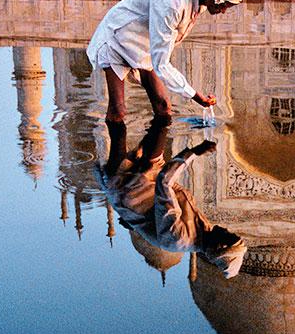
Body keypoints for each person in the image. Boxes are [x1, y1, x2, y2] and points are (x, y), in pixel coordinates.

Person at [86, 0, 246, 126]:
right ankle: (118, 152)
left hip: (143, 47)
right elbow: (161, 64)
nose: (222, 12)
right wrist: (195, 96)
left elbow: (164, 46)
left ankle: (145, 153)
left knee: (163, 106)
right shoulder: (172, 4)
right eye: (223, 6)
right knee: (118, 111)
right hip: (117, 38)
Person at [101, 118, 247, 280]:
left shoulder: (179, 237)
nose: (227, 230)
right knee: (162, 120)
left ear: (220, 246)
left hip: (128, 187)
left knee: (119, 128)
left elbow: (165, 183)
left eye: (229, 236)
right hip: (150, 178)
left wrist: (194, 152)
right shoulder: (203, 231)